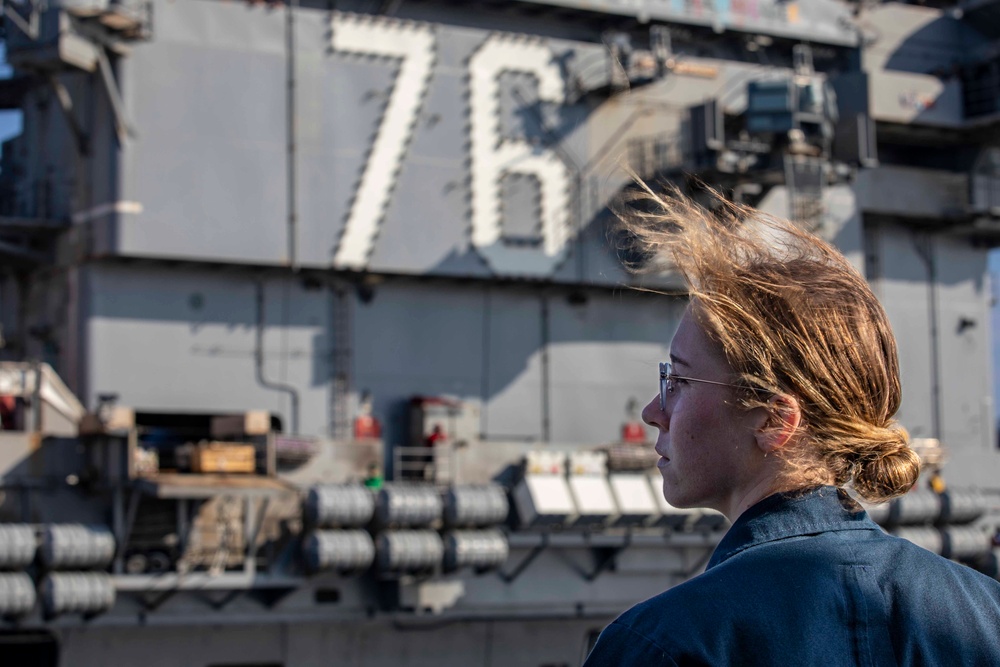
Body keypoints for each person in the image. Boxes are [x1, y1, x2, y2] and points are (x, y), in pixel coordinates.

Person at [583, 184, 1000, 666]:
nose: (653, 411)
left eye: (677, 378)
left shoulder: (662, 645)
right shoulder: (986, 615)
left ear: (775, 420)